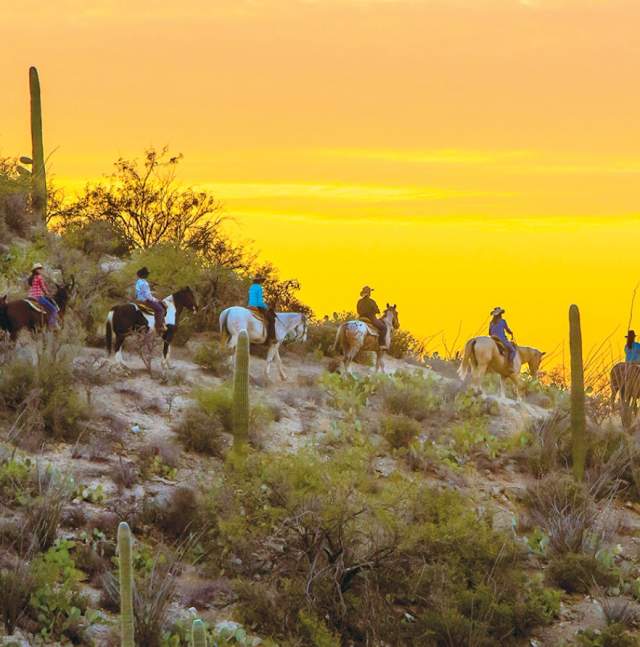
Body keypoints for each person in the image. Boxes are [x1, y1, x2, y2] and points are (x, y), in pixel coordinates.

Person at [27, 263, 58, 329]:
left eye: (40, 268)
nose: (40, 270)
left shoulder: (31, 278)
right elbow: (42, 287)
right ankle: (51, 325)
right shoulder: (39, 277)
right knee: (54, 309)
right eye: (39, 268)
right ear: (35, 270)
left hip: (30, 296)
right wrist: (47, 294)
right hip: (38, 296)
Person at [135, 267, 165, 333]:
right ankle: (158, 326)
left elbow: (143, 292)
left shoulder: (139, 281)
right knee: (160, 309)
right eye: (146, 274)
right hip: (145, 300)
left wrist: (153, 294)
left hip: (138, 299)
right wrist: (155, 300)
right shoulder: (144, 283)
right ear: (143, 275)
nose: (147, 275)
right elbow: (148, 296)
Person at [248, 276, 276, 343]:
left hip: (249, 305)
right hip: (257, 306)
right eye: (261, 281)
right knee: (272, 319)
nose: (261, 283)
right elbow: (260, 302)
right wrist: (266, 307)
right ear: (260, 281)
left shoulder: (251, 287)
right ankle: (271, 338)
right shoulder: (259, 288)